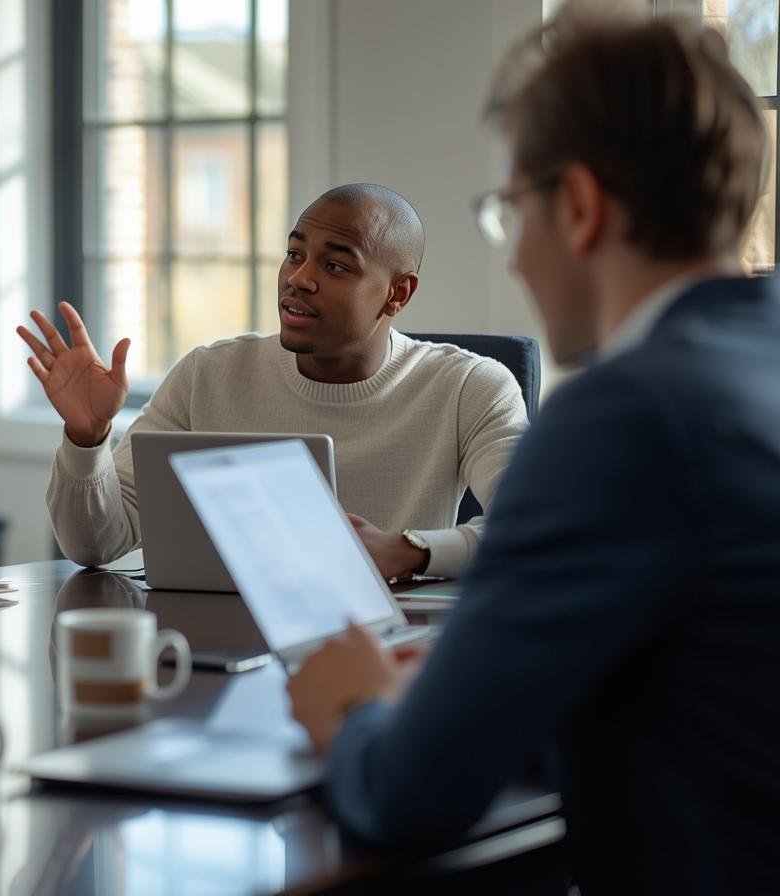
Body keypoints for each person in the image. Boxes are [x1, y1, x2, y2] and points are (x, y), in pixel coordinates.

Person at [285, 5, 780, 891]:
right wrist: (479, 673)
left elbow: (408, 793)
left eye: (510, 211)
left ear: (581, 206)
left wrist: (354, 706)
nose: (513, 259)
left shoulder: (623, 417)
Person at [20, 184, 528, 580]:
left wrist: (407, 550)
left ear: (398, 293)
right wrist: (87, 440)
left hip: (385, 654)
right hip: (218, 650)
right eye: (294, 254)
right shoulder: (207, 375)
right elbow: (94, 545)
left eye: (334, 265)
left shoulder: (472, 386)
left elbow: (531, 531)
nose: (298, 278)